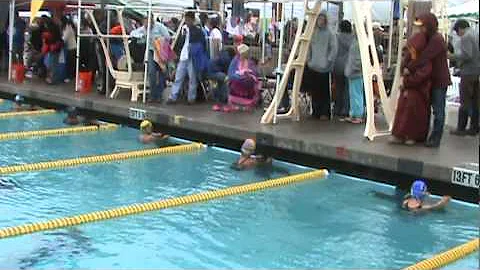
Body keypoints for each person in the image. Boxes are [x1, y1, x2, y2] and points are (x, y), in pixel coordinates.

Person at [406, 13, 451, 148]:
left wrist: (409, 67)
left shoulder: (436, 39)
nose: (421, 29)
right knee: (430, 109)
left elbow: (425, 57)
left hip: (439, 81)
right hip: (431, 80)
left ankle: (435, 139)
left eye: (423, 26)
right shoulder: (431, 37)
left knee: (438, 111)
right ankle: (426, 136)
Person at [390, 33, 432, 145]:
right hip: (410, 88)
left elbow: (423, 75)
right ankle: (400, 134)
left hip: (417, 90)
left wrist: (407, 81)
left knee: (413, 113)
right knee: (403, 112)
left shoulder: (425, 59)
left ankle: (412, 136)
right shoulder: (412, 56)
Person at [168, 12, 208, 105]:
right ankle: (174, 96)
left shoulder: (197, 31)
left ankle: (190, 97)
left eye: (188, 20)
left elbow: (201, 45)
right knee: (180, 77)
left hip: (191, 56)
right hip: (184, 56)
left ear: (192, 20)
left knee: (191, 78)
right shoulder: (185, 30)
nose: (186, 22)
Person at [303, 12, 338, 120]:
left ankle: (324, 113)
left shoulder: (330, 34)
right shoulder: (313, 33)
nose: (320, 21)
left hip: (324, 68)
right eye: (319, 19)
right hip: (313, 66)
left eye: (322, 19)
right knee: (315, 91)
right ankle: (315, 111)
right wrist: (308, 60)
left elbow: (334, 48)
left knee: (324, 91)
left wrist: (329, 61)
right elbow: (308, 47)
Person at [449, 19, 480, 136]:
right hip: (476, 71)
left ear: (461, 29)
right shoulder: (475, 34)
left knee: (465, 100)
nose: (458, 35)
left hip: (467, 72)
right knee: (475, 101)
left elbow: (467, 54)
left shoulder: (466, 37)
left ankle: (461, 128)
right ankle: (474, 127)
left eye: (457, 32)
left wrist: (452, 56)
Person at [226, 44, 260, 111]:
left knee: (249, 81)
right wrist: (240, 75)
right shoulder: (235, 61)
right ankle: (235, 102)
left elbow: (255, 72)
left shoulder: (250, 61)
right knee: (236, 81)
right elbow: (231, 73)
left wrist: (249, 73)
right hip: (237, 78)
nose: (247, 54)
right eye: (246, 52)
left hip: (247, 78)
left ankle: (248, 103)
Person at [334, 20, 354, 120]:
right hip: (349, 65)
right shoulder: (354, 38)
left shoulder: (336, 37)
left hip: (337, 65)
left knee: (338, 88)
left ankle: (337, 108)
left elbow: (334, 51)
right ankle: (346, 109)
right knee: (347, 89)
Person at [344, 28, 364, 124]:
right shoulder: (356, 41)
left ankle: (358, 115)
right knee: (353, 94)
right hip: (353, 71)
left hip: (355, 72)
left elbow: (358, 59)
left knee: (356, 94)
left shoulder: (359, 43)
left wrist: (354, 67)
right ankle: (353, 114)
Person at [61, 16, 77, 83]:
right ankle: (71, 76)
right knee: (71, 63)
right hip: (71, 47)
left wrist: (60, 40)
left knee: (70, 64)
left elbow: (65, 38)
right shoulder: (68, 26)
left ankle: (70, 77)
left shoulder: (68, 27)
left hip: (72, 48)